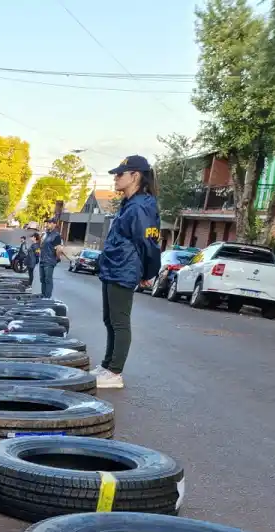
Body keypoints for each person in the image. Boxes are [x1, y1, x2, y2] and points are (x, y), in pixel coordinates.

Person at [93, 155, 162, 389]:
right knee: (109, 319)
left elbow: (149, 243)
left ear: (135, 176)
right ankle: (107, 364)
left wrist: (148, 272)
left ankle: (115, 372)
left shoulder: (143, 206)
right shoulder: (129, 203)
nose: (115, 178)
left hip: (125, 268)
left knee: (120, 321)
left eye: (120, 174)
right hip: (113, 267)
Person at [39, 219, 65, 299]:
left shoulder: (56, 236)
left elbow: (59, 249)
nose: (47, 225)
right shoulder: (45, 234)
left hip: (49, 261)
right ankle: (43, 295)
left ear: (54, 224)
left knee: (48, 279)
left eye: (49, 223)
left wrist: (57, 258)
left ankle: (47, 298)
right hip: (42, 260)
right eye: (47, 223)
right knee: (42, 279)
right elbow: (41, 245)